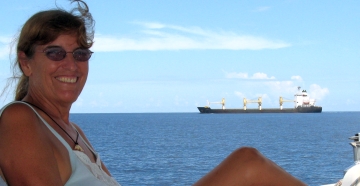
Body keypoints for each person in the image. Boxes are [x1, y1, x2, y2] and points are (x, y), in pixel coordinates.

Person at [0, 0, 306, 185]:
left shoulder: (73, 132)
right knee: (247, 164)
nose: (71, 65)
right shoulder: (19, 119)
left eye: (80, 54)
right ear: (26, 62)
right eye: (56, 53)